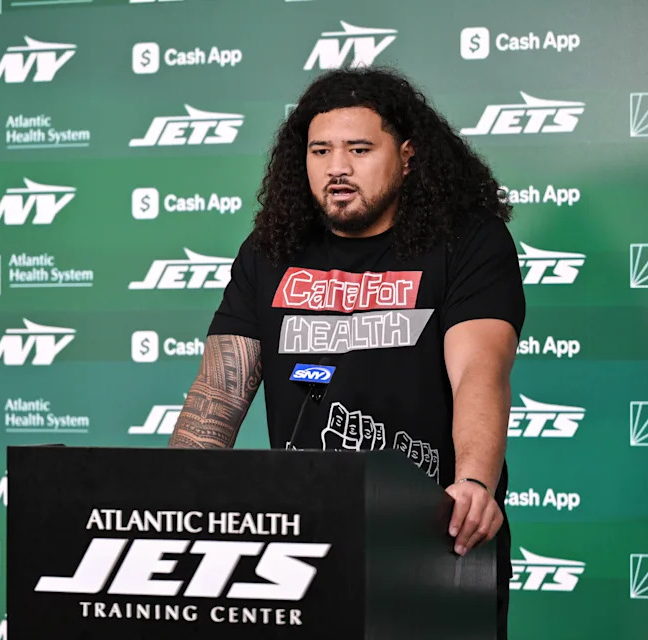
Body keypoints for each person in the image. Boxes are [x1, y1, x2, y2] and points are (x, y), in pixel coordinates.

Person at [167, 66, 525, 639]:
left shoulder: (467, 241)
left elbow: (479, 370)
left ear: (407, 157)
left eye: (359, 149)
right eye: (320, 150)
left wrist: (475, 485)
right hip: (299, 535)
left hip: (434, 531)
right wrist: (166, 500)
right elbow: (220, 391)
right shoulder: (271, 251)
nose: (337, 167)